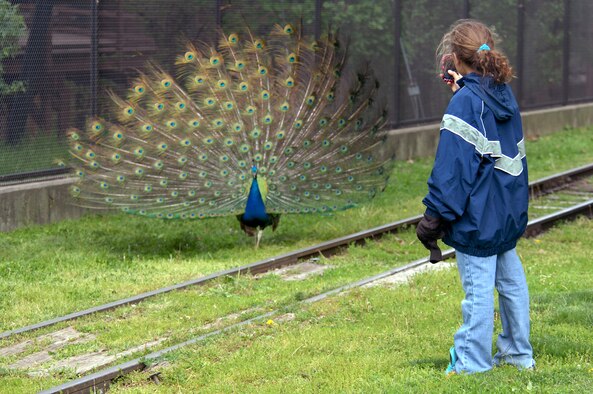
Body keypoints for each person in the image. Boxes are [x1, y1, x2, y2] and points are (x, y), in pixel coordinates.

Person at [416, 19, 535, 375]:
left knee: (478, 290)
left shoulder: (467, 103)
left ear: (454, 57)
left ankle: (472, 363)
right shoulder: (501, 92)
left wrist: (433, 217)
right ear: (488, 53)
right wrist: (464, 89)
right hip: (506, 211)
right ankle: (517, 355)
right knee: (511, 282)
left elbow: (453, 169)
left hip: (478, 217)